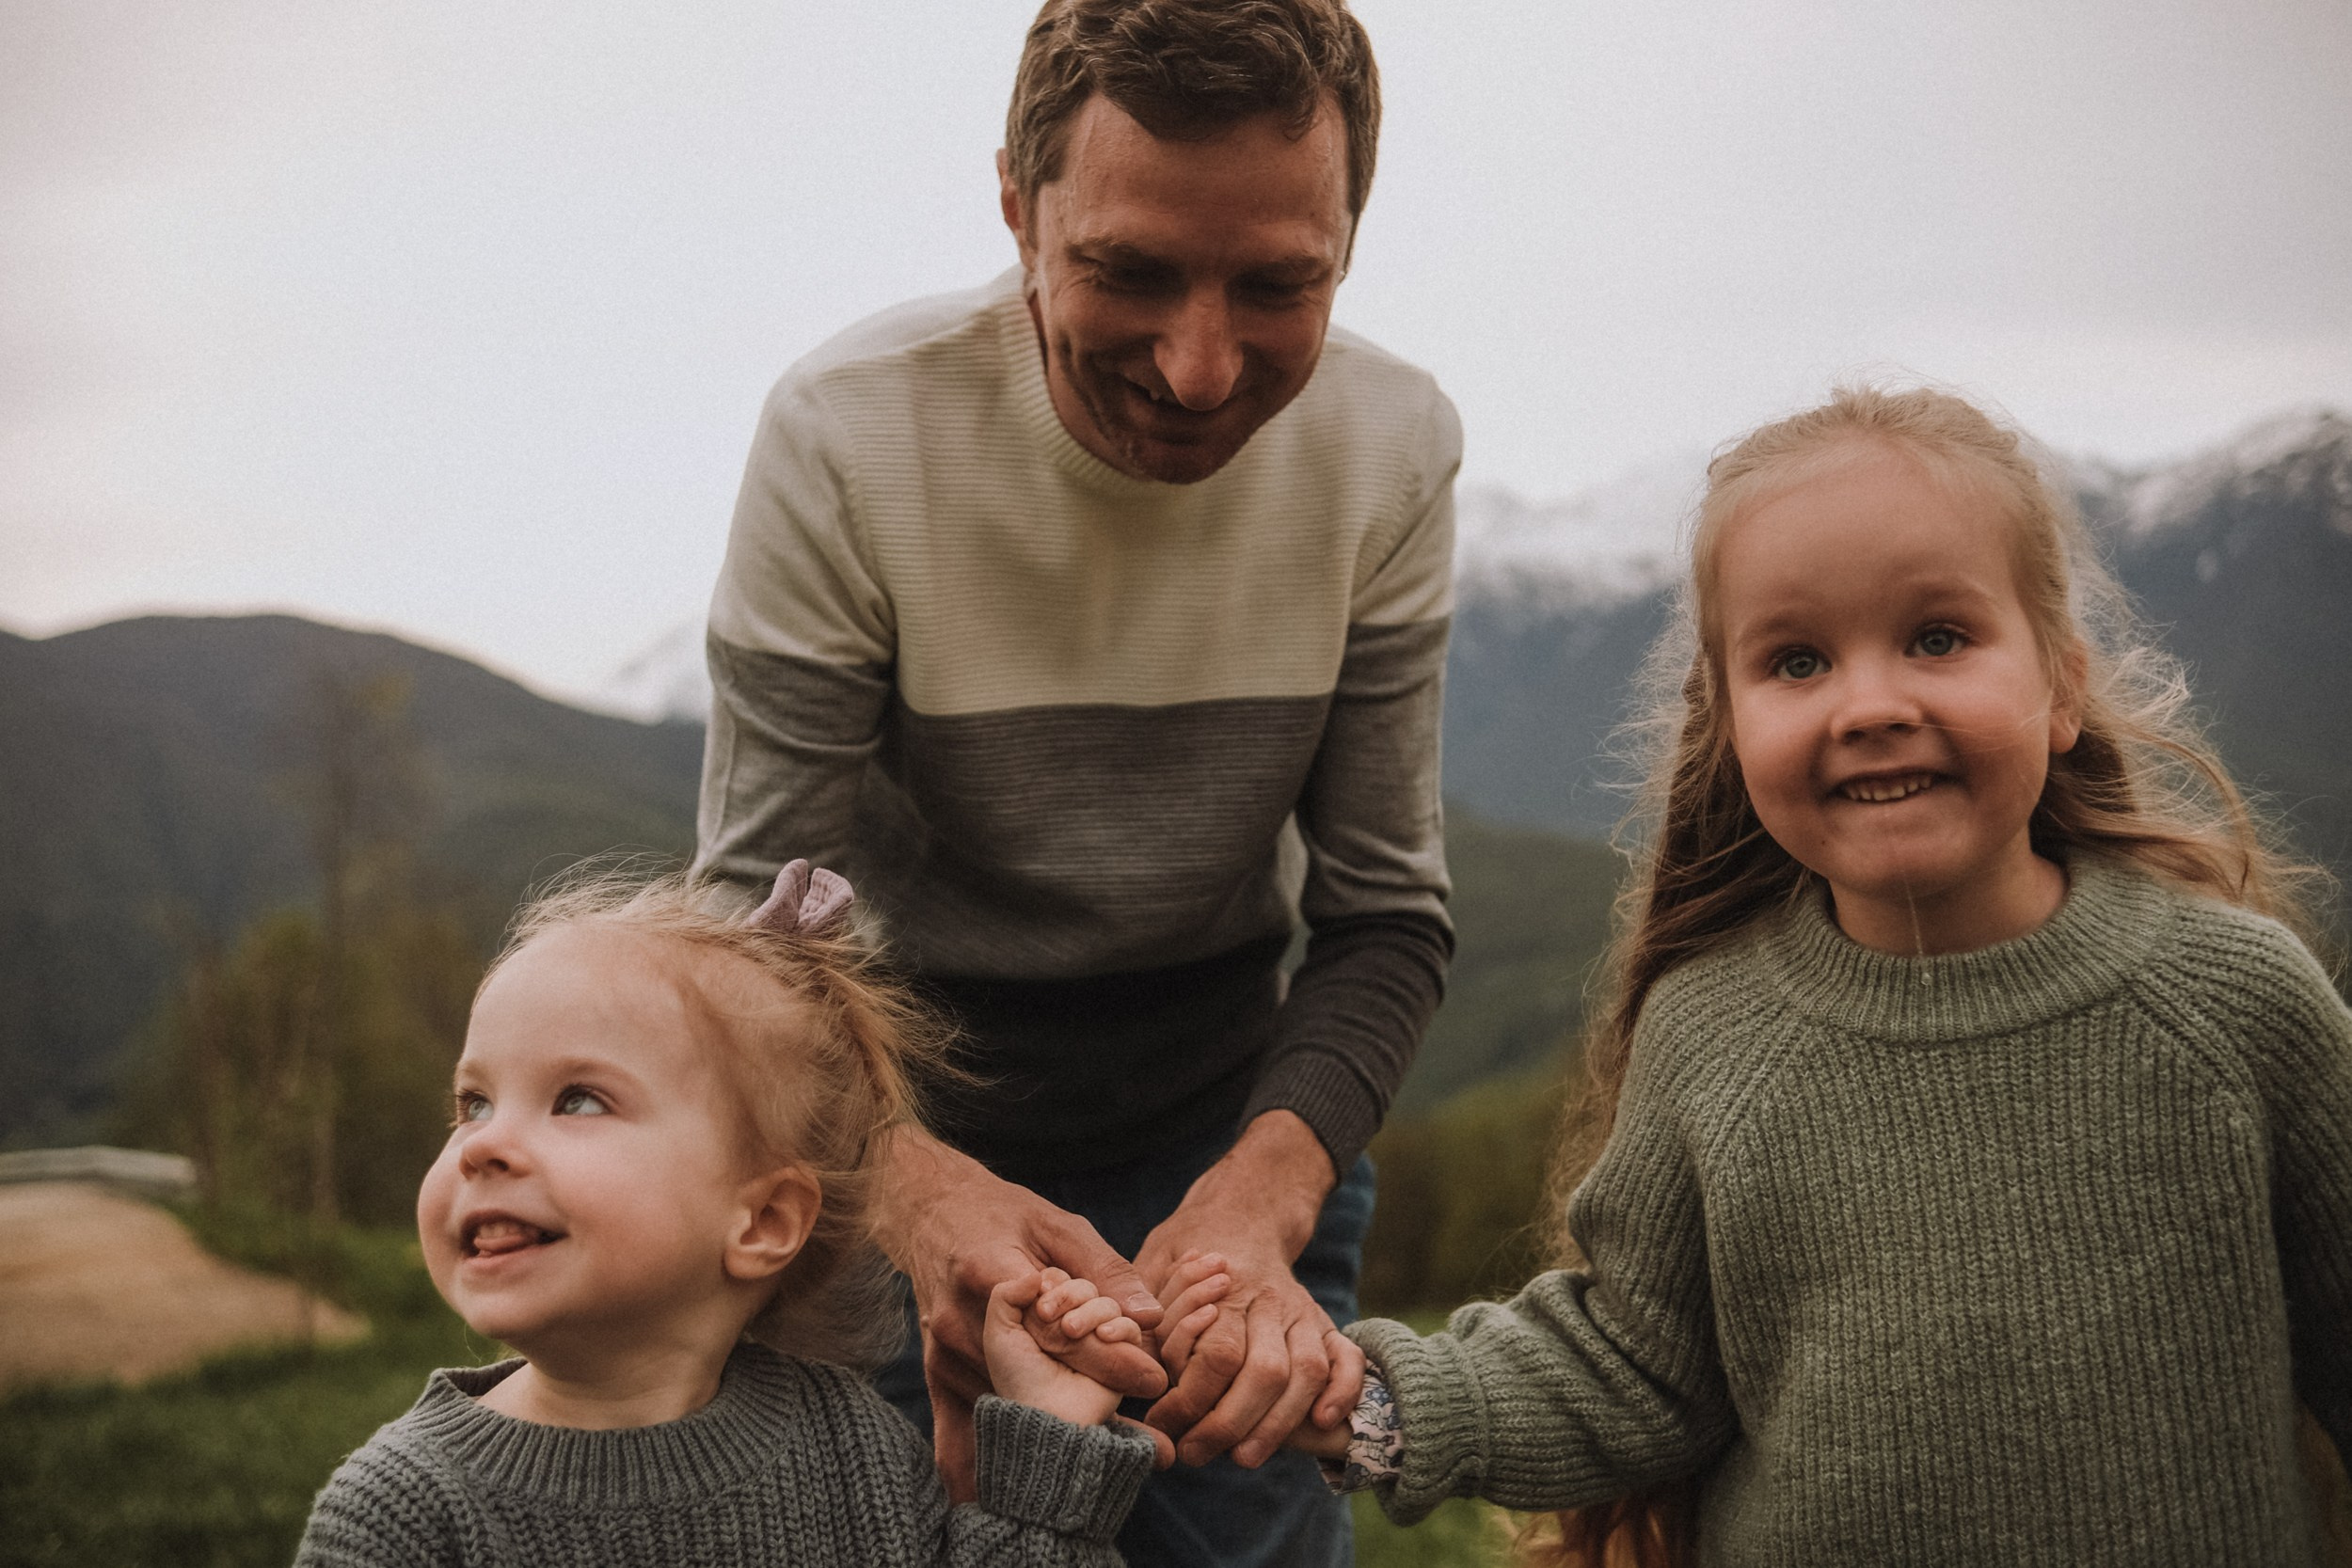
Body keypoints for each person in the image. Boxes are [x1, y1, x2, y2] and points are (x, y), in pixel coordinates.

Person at [1294, 386, 2352, 1564]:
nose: (1871, 705)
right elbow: (1632, 1362)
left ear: (2059, 686)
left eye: (1938, 638)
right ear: (1730, 724)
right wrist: (1363, 1402)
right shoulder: (1713, 1035)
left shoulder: (2234, 1003)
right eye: (1796, 660)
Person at [691, 2, 1456, 1561]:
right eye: (1130, 272)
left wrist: (1263, 1196)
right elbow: (752, 924)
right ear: (1017, 210)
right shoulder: (850, 436)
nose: (1198, 365)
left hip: (1227, 1124)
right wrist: (911, 1194)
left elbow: (1385, 918)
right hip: (884, 1118)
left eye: (1276, 286)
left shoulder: (1394, 448)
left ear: (1350, 244)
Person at [294, 863, 1223, 1567]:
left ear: (764, 1220)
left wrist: (1046, 1456)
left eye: (577, 1099)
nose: (480, 1146)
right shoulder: (399, 1513)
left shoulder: (849, 1446)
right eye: (472, 1102)